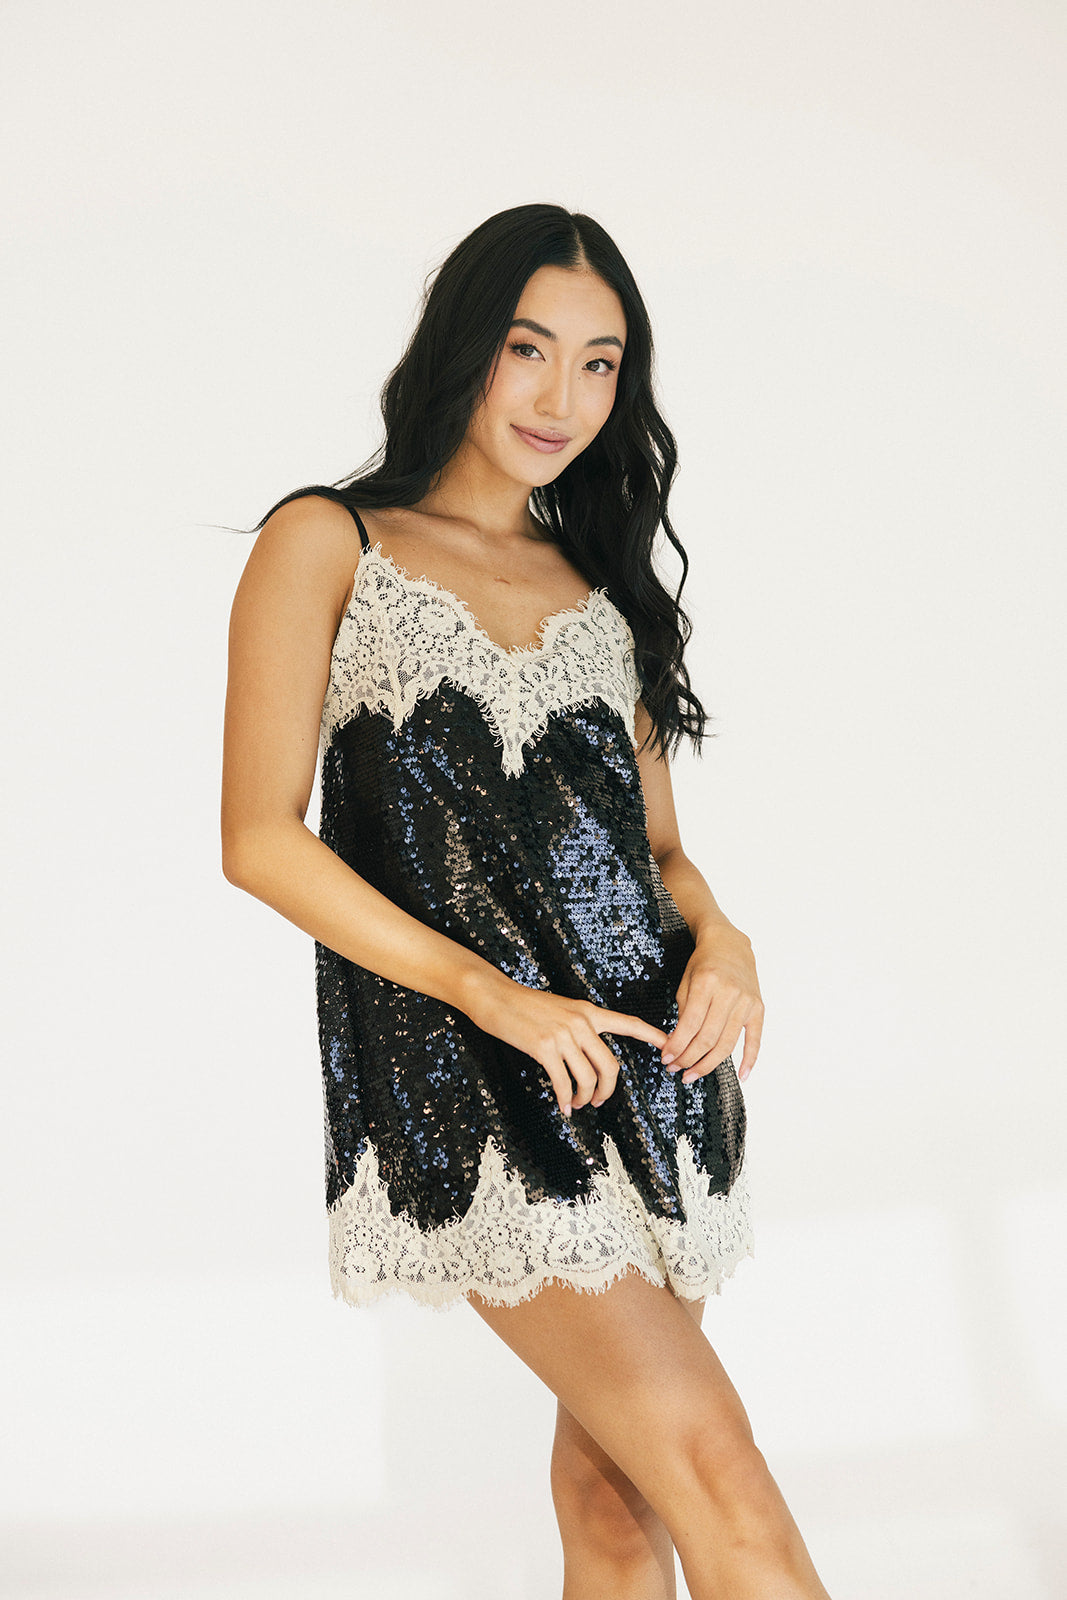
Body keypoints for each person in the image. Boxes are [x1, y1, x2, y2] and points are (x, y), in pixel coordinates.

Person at [221, 203, 832, 1600]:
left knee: (618, 1511)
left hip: (651, 1068)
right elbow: (258, 838)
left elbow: (659, 853)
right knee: (721, 1474)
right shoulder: (328, 541)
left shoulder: (604, 586)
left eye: (601, 364)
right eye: (530, 348)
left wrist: (726, 941)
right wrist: (492, 996)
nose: (564, 396)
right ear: (465, 345)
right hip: (476, 1074)